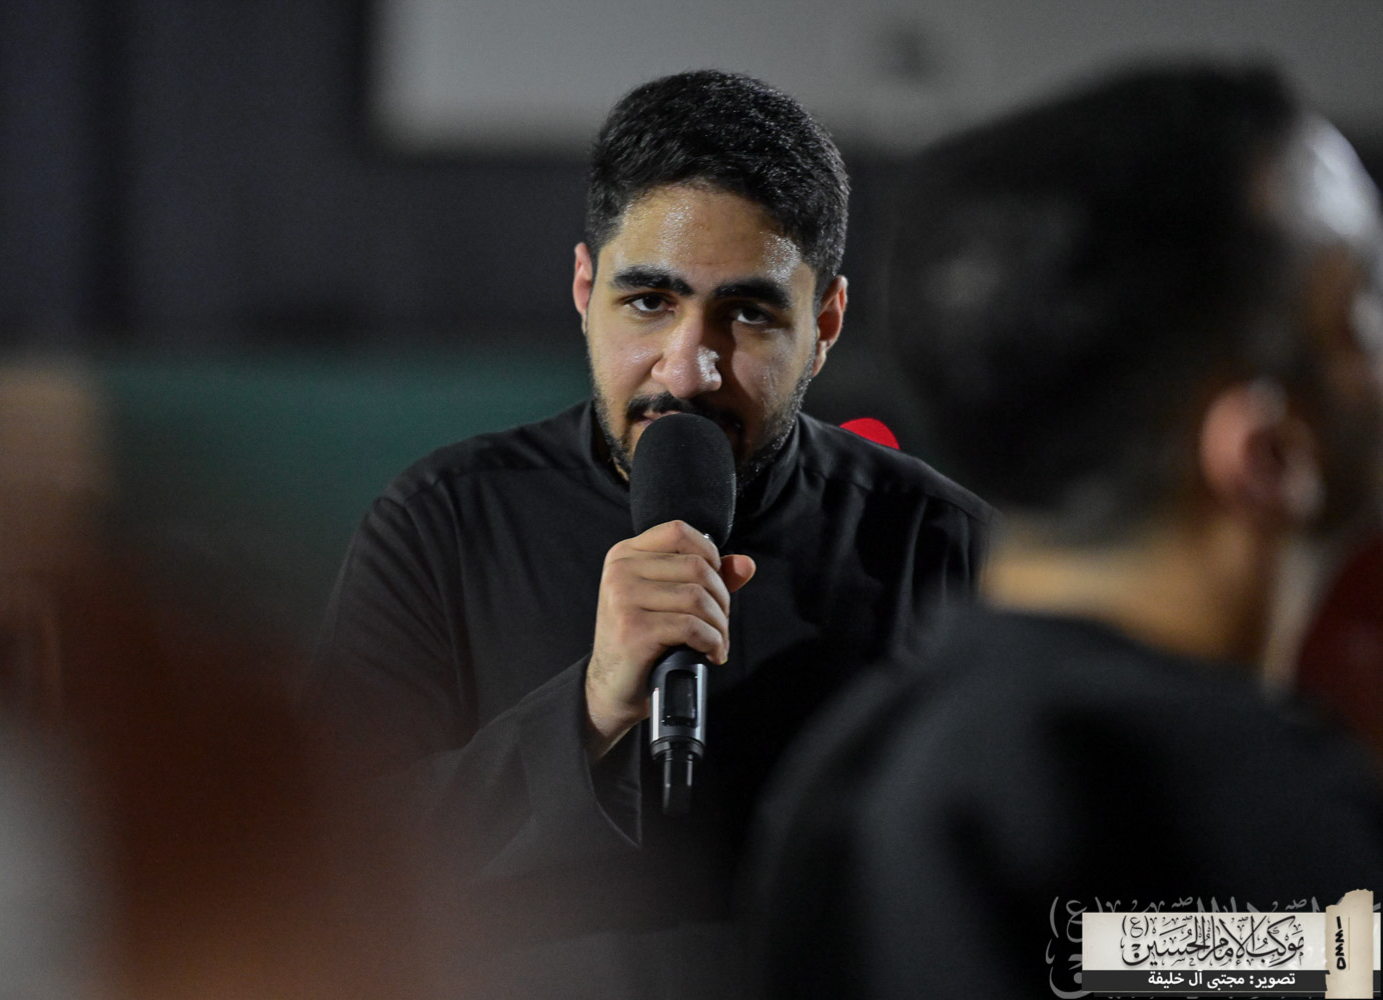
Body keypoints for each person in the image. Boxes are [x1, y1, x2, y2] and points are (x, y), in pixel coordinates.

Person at [311, 70, 990, 999]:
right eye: (649, 302)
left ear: (825, 323)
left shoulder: (942, 546)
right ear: (584, 288)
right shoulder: (445, 522)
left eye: (748, 313)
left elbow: (1128, 934)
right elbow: (323, 868)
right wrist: (586, 711)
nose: (689, 370)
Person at [747, 63, 1383, 998]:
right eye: (1359, 310)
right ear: (1266, 452)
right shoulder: (1231, 804)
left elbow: (1111, 953)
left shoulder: (862, 769)